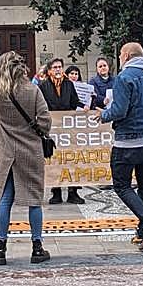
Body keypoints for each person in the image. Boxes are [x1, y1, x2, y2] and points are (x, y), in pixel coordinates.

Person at [0, 52, 51, 266]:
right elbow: (45, 121)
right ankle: (37, 248)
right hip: (29, 152)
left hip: (5, 151)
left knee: (5, 199)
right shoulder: (33, 90)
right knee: (34, 200)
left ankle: (0, 249)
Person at [99, 42, 143, 250]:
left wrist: (103, 115)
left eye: (120, 54)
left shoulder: (124, 78)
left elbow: (119, 111)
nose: (119, 58)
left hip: (128, 140)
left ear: (127, 56)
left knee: (121, 185)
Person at [38, 58, 84, 204]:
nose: (58, 70)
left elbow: (74, 102)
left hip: (68, 129)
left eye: (60, 67)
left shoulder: (69, 84)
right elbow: (41, 105)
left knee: (71, 158)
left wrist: (85, 107)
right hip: (52, 129)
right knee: (55, 159)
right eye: (55, 67)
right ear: (49, 70)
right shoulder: (43, 86)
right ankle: (56, 192)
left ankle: (73, 192)